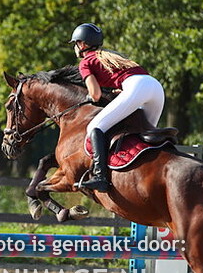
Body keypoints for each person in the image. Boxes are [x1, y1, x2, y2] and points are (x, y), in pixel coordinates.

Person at [69, 23, 165, 192]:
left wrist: (89, 96)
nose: (76, 47)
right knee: (144, 134)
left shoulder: (85, 62)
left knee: (94, 126)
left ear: (82, 44)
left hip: (137, 87)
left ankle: (100, 177)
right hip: (155, 87)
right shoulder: (112, 56)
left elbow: (96, 94)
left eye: (76, 43)